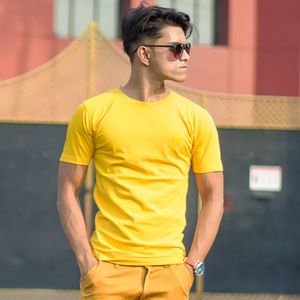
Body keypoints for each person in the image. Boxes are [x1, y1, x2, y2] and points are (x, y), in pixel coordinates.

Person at [57, 3, 224, 300]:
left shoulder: (197, 119)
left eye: (187, 48)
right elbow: (67, 189)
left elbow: (214, 196)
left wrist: (191, 265)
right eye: (175, 48)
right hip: (107, 274)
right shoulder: (93, 112)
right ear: (144, 54)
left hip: (171, 275)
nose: (185, 56)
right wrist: (87, 263)